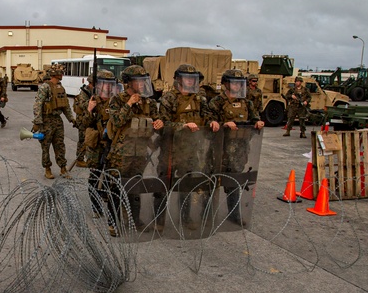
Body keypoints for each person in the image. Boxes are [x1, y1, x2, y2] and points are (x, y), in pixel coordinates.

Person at [156, 63, 219, 228]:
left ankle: (185, 218)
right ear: (179, 79)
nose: (191, 82)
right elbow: (163, 124)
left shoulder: (200, 99)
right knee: (164, 185)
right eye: (187, 78)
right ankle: (159, 220)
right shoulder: (169, 98)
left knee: (187, 185)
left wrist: (212, 122)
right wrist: (182, 126)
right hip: (171, 150)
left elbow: (207, 115)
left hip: (191, 150)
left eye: (193, 79)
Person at [105, 65, 161, 234]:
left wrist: (159, 124)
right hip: (121, 153)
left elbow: (157, 121)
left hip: (140, 153)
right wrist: (129, 104)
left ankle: (135, 220)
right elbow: (117, 121)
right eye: (139, 81)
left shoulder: (148, 103)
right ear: (128, 83)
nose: (142, 84)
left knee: (135, 186)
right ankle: (113, 222)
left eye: (144, 81)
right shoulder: (117, 100)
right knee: (116, 187)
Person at [208, 69, 264, 223]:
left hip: (240, 149)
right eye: (234, 83)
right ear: (226, 84)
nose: (238, 86)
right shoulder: (216, 102)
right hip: (221, 149)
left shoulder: (247, 103)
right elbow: (208, 123)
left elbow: (254, 117)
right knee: (213, 182)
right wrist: (223, 124)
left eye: (240, 83)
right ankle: (206, 215)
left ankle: (234, 215)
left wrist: (257, 123)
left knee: (234, 182)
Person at [75, 70, 118, 220]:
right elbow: (83, 124)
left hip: (112, 144)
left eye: (109, 84)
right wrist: (89, 109)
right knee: (94, 176)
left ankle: (106, 197)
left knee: (111, 175)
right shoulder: (92, 100)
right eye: (103, 84)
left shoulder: (115, 101)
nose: (106, 87)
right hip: (96, 145)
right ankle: (96, 207)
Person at [31, 66, 75, 179]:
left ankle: (63, 168)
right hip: (46, 120)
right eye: (60, 72)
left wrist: (71, 119)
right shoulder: (44, 87)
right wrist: (37, 121)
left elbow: (65, 106)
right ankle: (47, 169)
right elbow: (38, 105)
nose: (62, 74)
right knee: (46, 146)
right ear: (55, 74)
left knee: (60, 145)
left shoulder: (61, 88)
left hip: (57, 120)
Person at [71, 74, 95, 168]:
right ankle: (79, 159)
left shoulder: (92, 91)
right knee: (83, 140)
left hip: (89, 118)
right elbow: (82, 105)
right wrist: (91, 103)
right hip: (82, 120)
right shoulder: (84, 93)